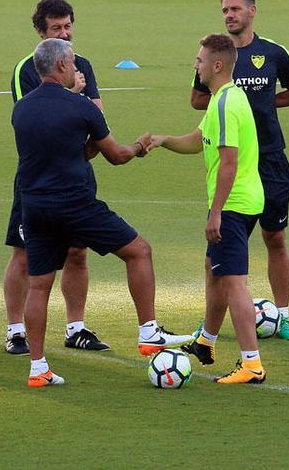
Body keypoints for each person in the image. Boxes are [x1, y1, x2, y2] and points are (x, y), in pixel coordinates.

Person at [12, 38, 193, 387]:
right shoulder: (82, 108)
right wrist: (140, 146)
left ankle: (38, 369)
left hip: (33, 206)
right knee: (139, 251)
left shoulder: (22, 110)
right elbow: (115, 155)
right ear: (62, 66)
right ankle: (148, 333)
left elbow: (62, 150)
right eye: (73, 64)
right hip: (76, 205)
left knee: (38, 286)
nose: (77, 70)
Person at [147, 34, 267, 384]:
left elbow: (228, 162)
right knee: (213, 269)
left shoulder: (227, 103)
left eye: (199, 61)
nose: (195, 66)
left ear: (217, 65)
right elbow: (200, 141)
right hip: (242, 201)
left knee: (233, 282)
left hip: (233, 204)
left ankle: (252, 364)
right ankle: (205, 341)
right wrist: (164, 141)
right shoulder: (223, 99)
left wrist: (216, 212)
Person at [191, 0, 289, 340]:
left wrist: (267, 104)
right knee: (220, 246)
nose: (229, 15)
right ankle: (209, 321)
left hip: (270, 158)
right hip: (234, 161)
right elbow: (198, 99)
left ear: (252, 11)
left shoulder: (272, 52)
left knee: (275, 236)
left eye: (235, 9)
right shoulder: (216, 57)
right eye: (225, 10)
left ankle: (283, 315)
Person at [3, 0, 108, 355]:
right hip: (37, 179)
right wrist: (74, 94)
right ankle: (15, 330)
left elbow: (96, 120)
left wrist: (76, 104)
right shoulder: (27, 69)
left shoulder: (84, 64)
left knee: (78, 253)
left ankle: (76, 327)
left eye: (67, 26)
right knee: (24, 255)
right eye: (56, 28)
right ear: (39, 32)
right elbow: (34, 115)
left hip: (77, 174)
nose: (65, 33)